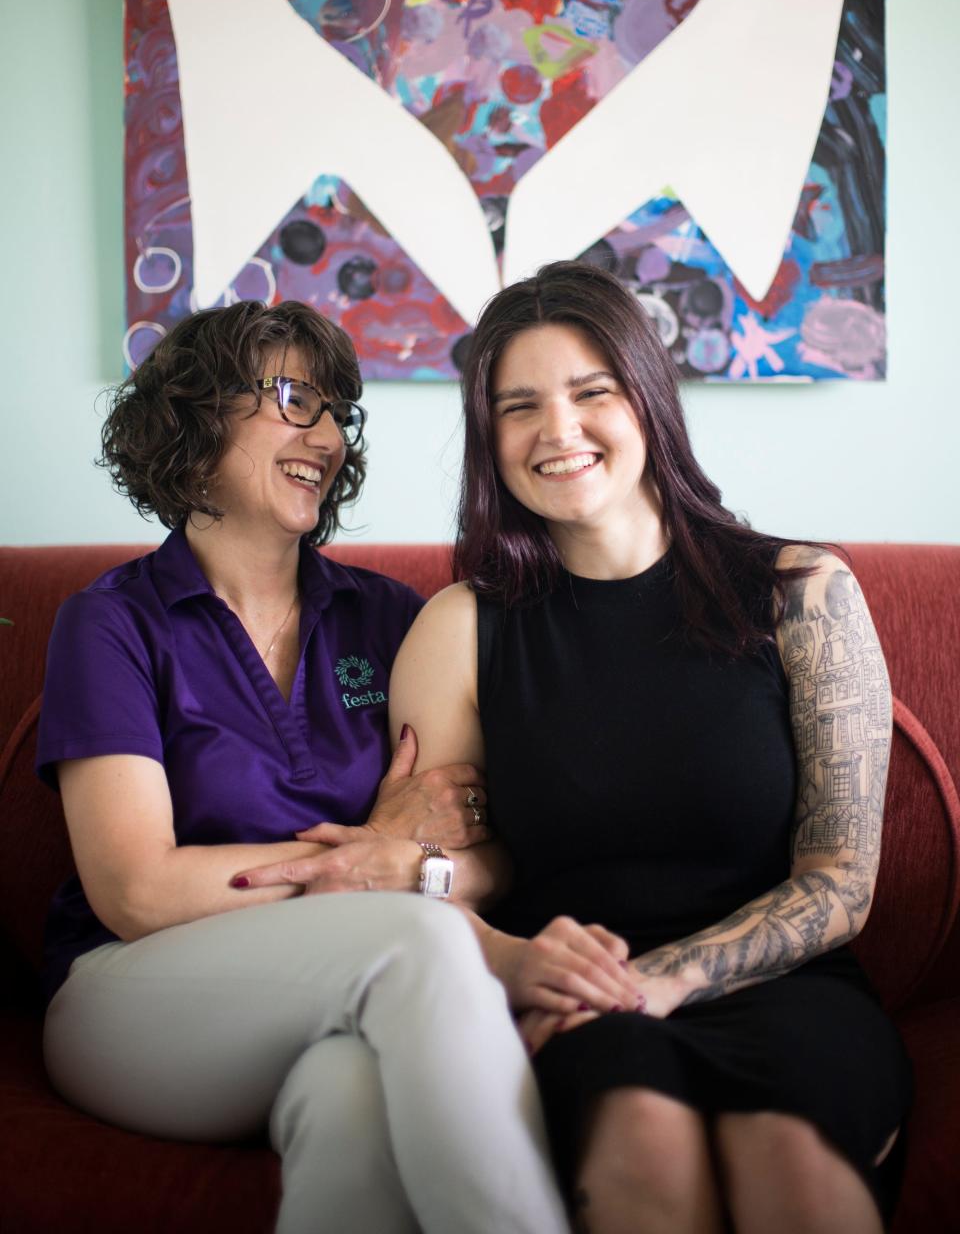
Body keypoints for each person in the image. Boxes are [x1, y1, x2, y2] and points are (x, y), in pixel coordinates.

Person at [384, 263, 911, 1234]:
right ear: (486, 437)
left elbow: (842, 881)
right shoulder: (460, 628)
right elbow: (425, 877)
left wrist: (665, 982)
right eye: (519, 406)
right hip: (582, 1003)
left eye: (593, 392)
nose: (558, 430)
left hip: (784, 992)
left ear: (649, 401)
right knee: (644, 1157)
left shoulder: (803, 592)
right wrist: (504, 960)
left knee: (787, 1163)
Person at [36, 299, 573, 1234]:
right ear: (195, 418)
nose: (325, 433)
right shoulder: (112, 623)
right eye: (292, 398)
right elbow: (138, 890)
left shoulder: (392, 618)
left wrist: (415, 867)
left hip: (321, 1002)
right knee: (425, 943)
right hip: (129, 994)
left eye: (335, 409)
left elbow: (488, 850)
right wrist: (373, 855)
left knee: (355, 1099)